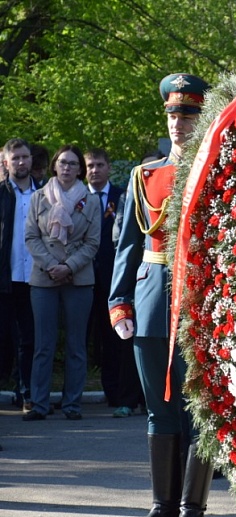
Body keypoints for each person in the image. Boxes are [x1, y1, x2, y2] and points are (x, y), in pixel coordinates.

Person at [109, 73, 214, 517]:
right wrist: (119, 302)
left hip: (200, 301)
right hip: (152, 298)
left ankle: (193, 510)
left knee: (200, 410)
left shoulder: (216, 171)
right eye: (173, 114)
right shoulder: (144, 174)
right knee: (159, 409)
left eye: (189, 114)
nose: (179, 122)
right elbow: (128, 246)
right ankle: (162, 507)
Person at [23, 144, 101, 421]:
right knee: (43, 345)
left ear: (80, 169)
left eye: (72, 164)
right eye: (62, 162)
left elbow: (93, 243)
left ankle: (72, 405)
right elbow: (31, 237)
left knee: (76, 345)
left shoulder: (90, 201)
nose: (67, 168)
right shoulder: (38, 197)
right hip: (44, 278)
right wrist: (51, 265)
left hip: (78, 279)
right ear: (54, 166)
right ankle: (40, 404)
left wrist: (68, 266)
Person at [84, 149, 125, 408]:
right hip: (81, 277)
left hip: (112, 277)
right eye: (90, 165)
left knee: (113, 339)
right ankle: (73, 396)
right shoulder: (76, 196)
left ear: (108, 167)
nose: (95, 170)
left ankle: (115, 393)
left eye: (99, 165)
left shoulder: (121, 196)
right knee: (83, 338)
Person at [0, 139, 38, 410]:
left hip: (35, 279)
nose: (21, 162)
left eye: (25, 157)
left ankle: (26, 393)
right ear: (6, 163)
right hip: (5, 279)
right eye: (15, 158)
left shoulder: (46, 193)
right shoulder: (1, 193)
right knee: (3, 339)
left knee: (29, 340)